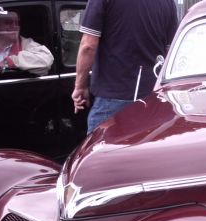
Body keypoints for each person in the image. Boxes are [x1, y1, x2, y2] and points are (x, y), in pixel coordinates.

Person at [71, 0, 178, 134]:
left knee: (102, 153)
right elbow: (172, 53)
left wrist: (80, 86)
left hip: (113, 98)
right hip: (153, 98)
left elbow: (88, 46)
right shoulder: (168, 2)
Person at [0, 11, 54, 76]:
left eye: (16, 23)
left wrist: (10, 62)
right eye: (8, 22)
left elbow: (47, 58)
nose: (14, 26)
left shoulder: (25, 43)